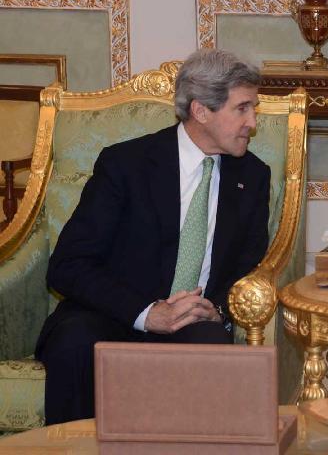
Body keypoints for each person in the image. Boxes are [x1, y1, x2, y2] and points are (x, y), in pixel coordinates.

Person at [35, 48, 271, 424]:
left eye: (253, 108)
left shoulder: (253, 177)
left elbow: (247, 266)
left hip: (192, 321)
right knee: (75, 343)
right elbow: (67, 266)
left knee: (213, 348)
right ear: (201, 111)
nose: (252, 122)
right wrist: (149, 314)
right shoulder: (125, 165)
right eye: (242, 108)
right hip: (112, 314)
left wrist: (219, 310)